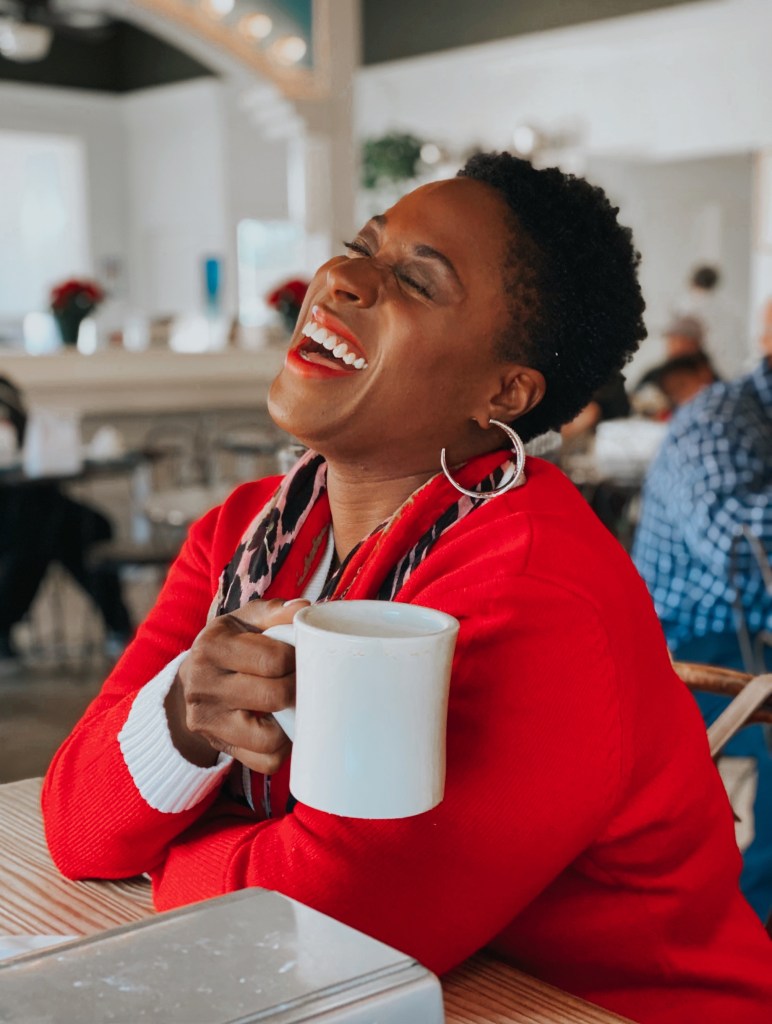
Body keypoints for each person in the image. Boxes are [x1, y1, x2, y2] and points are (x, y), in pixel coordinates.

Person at [41, 155, 772, 1023]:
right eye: (363, 247)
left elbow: (319, 929)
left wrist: (168, 848)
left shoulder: (537, 590)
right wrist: (179, 723)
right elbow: (77, 827)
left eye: (419, 282)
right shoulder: (243, 533)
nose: (345, 278)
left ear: (505, 391)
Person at [633, 307, 772, 925]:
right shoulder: (717, 421)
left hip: (746, 632)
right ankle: (755, 923)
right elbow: (741, 549)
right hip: (692, 645)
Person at [0, 375, 133, 670]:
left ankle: (4, 624)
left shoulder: (6, 390)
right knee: (43, 532)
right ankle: (119, 626)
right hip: (11, 506)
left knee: (89, 526)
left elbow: (29, 440)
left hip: (36, 499)